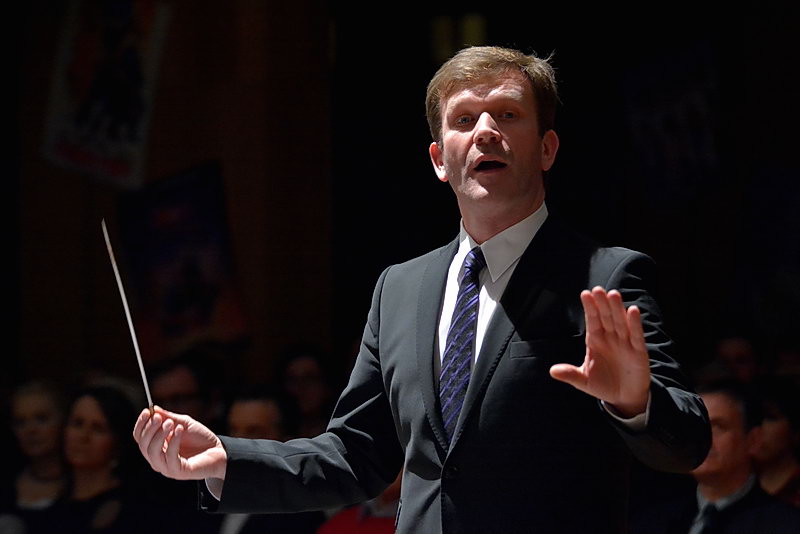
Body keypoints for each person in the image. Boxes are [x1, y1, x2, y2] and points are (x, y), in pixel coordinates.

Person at [133, 46, 711, 533]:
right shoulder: (400, 289)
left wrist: (634, 404)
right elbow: (355, 454)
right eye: (465, 120)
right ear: (439, 159)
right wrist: (225, 458)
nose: (485, 131)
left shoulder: (605, 277)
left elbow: (687, 444)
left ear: (547, 148)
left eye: (508, 115)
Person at [631, 382, 800, 533]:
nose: (701, 438)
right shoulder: (653, 521)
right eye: (692, 426)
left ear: (752, 440)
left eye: (718, 427)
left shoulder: (786, 524)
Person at [1, 382, 67, 531]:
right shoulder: (6, 485)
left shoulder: (81, 489)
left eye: (41, 419)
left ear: (63, 421)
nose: (30, 430)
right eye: (20, 422)